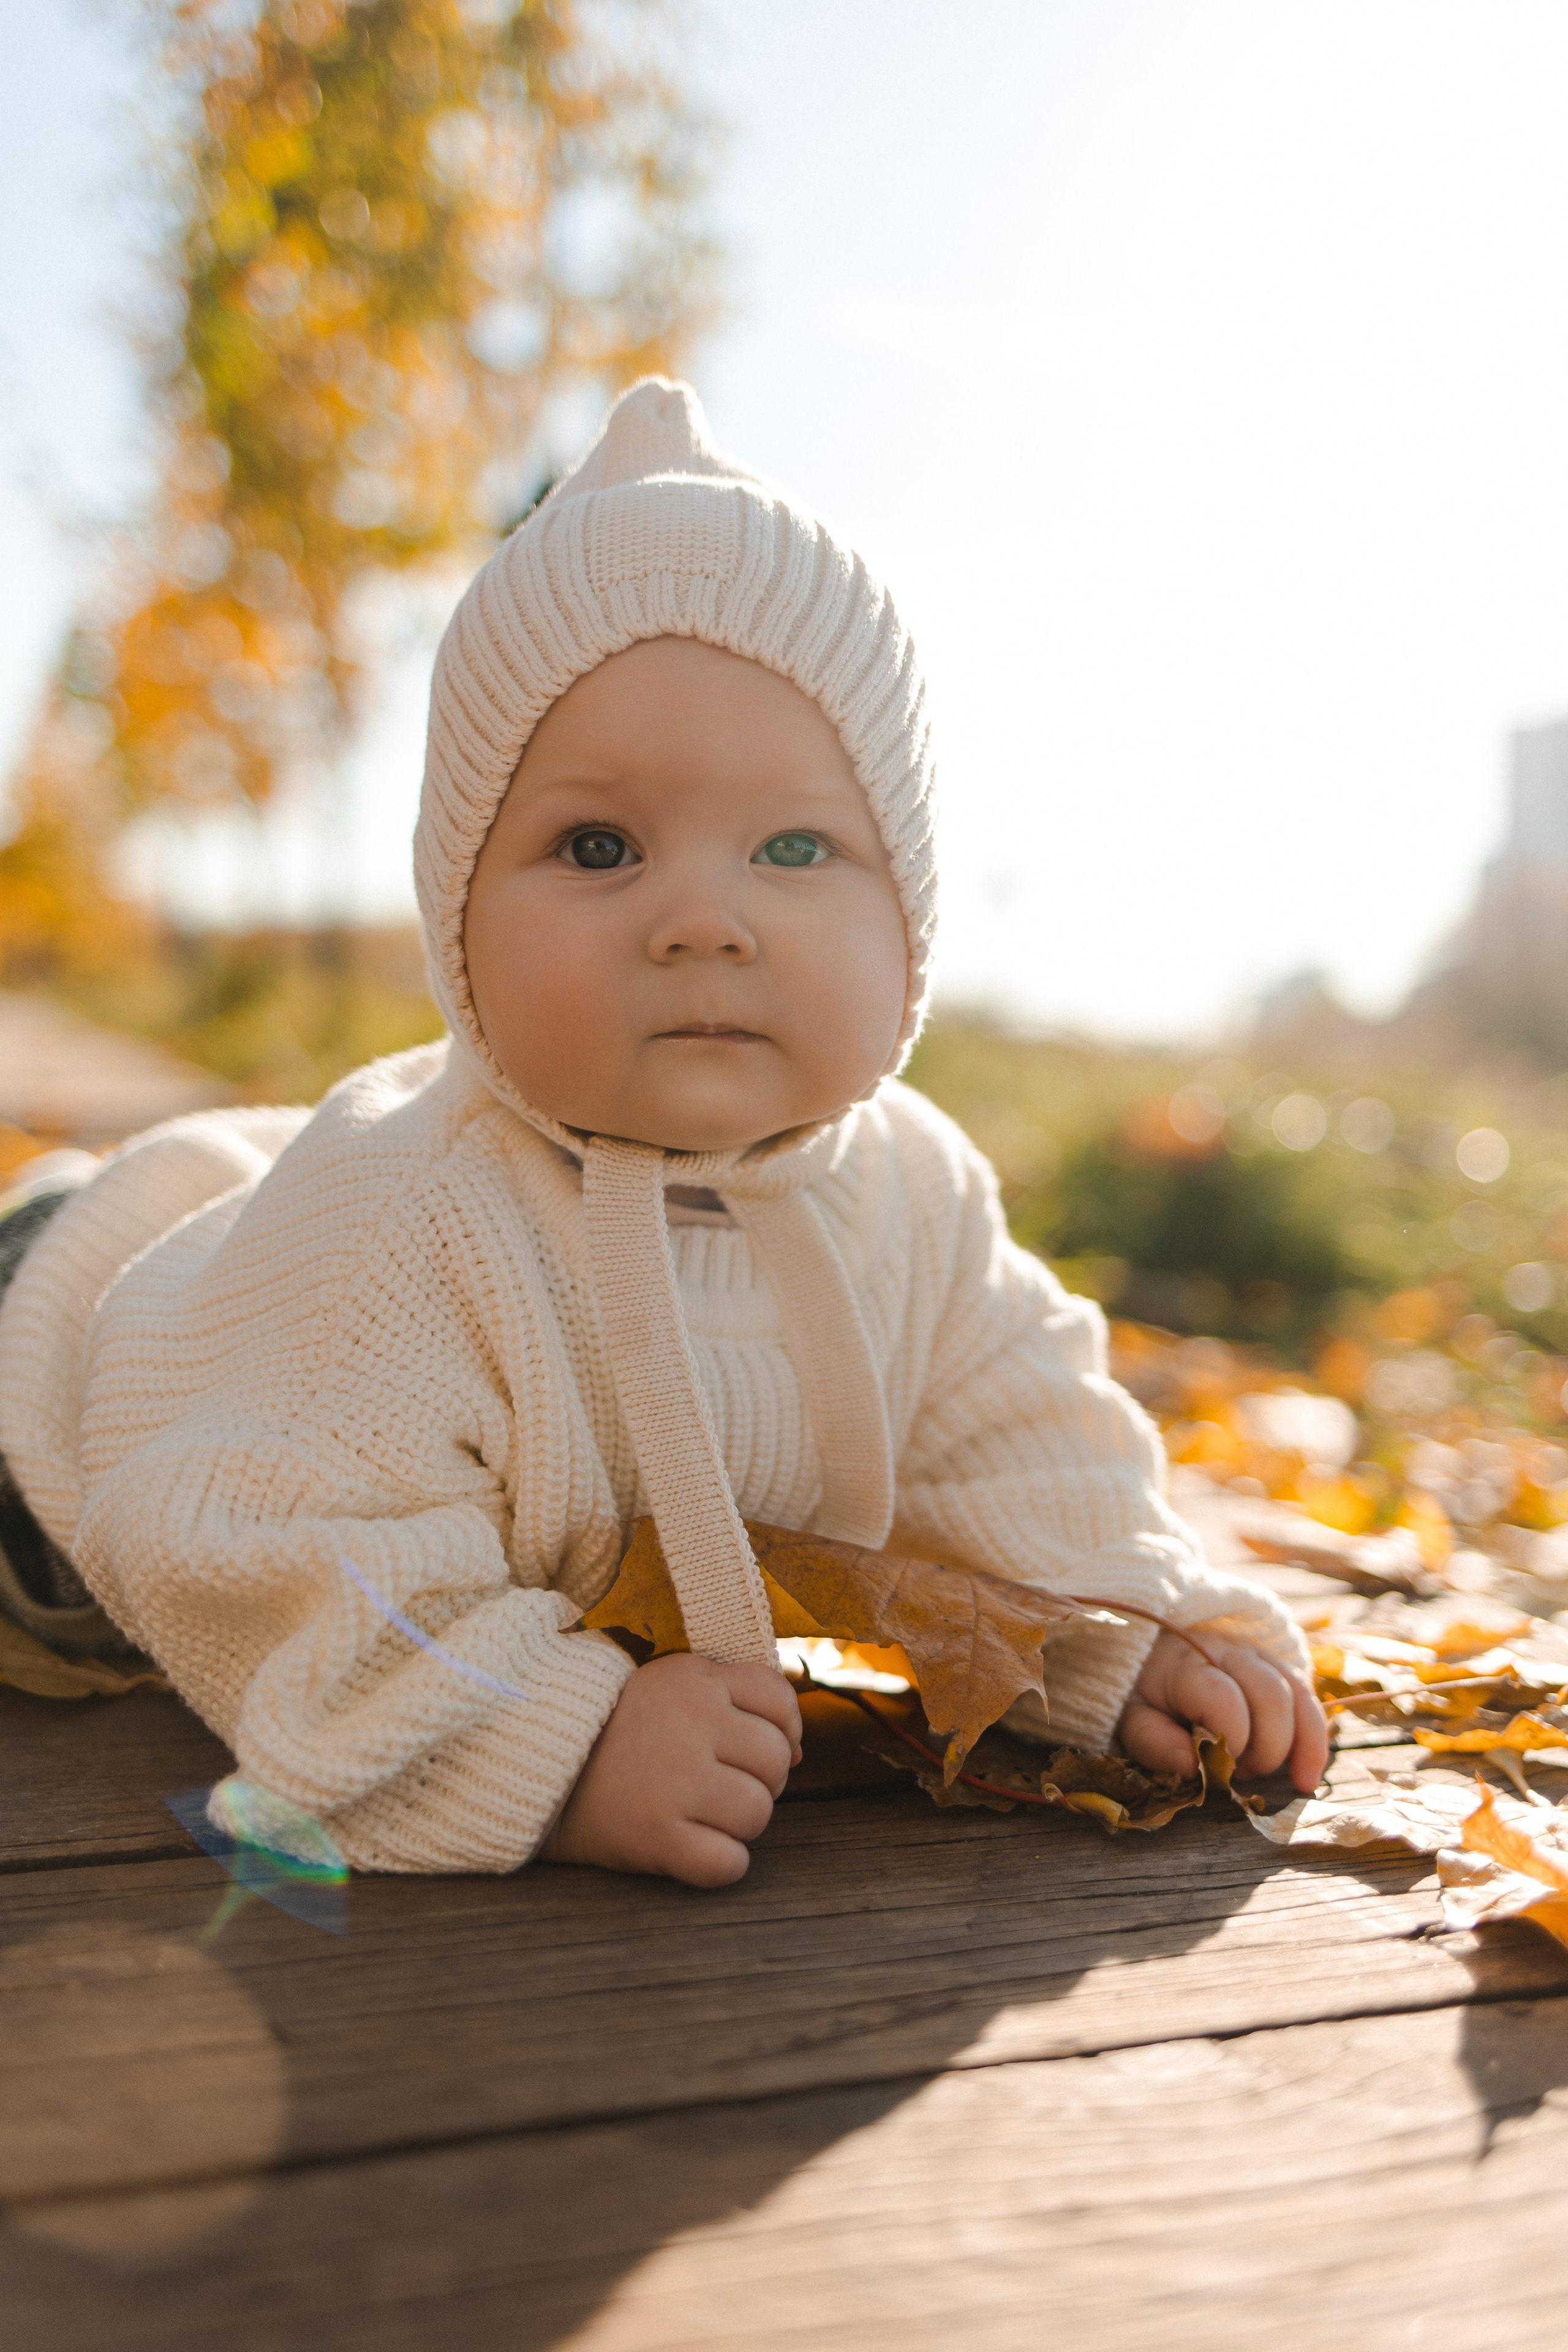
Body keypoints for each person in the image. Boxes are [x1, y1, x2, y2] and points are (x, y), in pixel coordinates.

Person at [0, 380, 1326, 1886]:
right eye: (598, 847)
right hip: (47, 1393)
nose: (703, 920)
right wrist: (559, 1746)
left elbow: (1019, 1444)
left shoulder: (913, 1193)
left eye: (794, 847)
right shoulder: (399, 1217)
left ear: (911, 911)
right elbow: (271, 1546)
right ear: (454, 918)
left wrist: (1115, 1642)